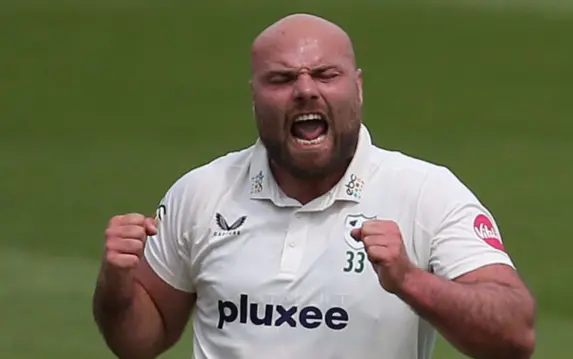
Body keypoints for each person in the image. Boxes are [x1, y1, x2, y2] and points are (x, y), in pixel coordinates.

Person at [92, 13, 536, 359]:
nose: (305, 91)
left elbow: (515, 334)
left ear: (357, 88)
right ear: (254, 95)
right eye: (282, 79)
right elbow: (137, 343)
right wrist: (116, 283)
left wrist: (410, 281)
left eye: (325, 75)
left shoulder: (424, 194)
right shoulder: (203, 193)